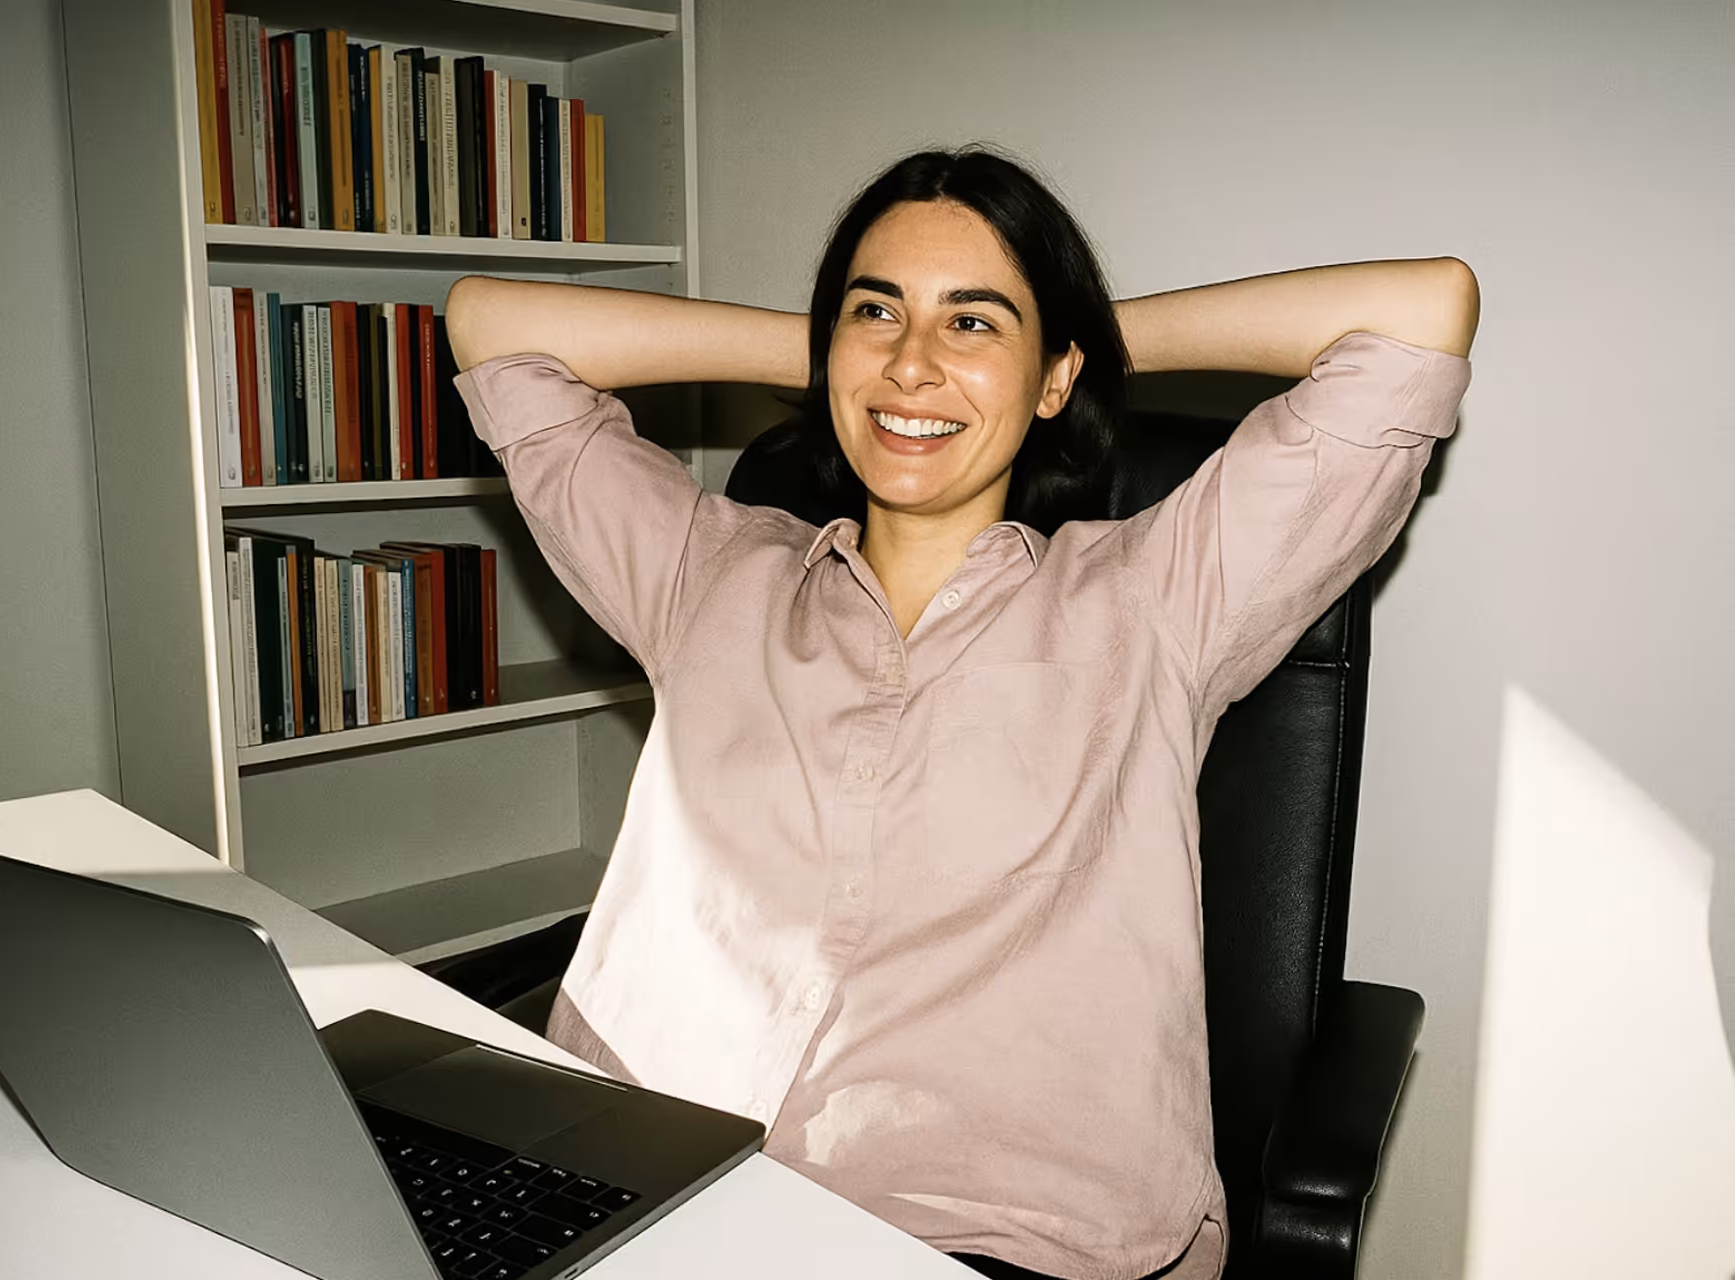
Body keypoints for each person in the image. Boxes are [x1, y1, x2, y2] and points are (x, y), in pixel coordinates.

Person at [444, 146, 1477, 1280]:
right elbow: (492, 324)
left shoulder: (1156, 596)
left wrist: (1061, 337)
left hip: (974, 1236)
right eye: (873, 310)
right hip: (632, 1190)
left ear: (1052, 378)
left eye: (972, 324)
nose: (914, 363)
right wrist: (855, 355)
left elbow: (1419, 314)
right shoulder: (703, 568)